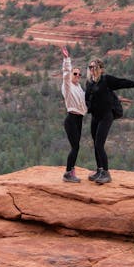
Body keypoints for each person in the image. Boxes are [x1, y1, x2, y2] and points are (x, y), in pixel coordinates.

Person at [85, 59, 134, 184]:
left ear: (101, 69)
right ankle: (99, 170)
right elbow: (86, 99)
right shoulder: (89, 83)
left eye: (95, 67)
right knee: (95, 144)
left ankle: (106, 173)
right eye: (90, 67)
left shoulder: (106, 80)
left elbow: (122, 82)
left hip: (106, 115)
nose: (92, 70)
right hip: (95, 116)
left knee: (99, 144)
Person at [61, 46, 87, 182]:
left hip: (79, 119)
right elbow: (65, 74)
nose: (77, 76)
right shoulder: (68, 86)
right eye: (75, 73)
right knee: (75, 147)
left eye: (79, 74)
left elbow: (85, 104)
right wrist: (67, 60)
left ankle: (72, 171)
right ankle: (68, 173)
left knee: (76, 147)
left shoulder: (79, 88)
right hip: (71, 119)